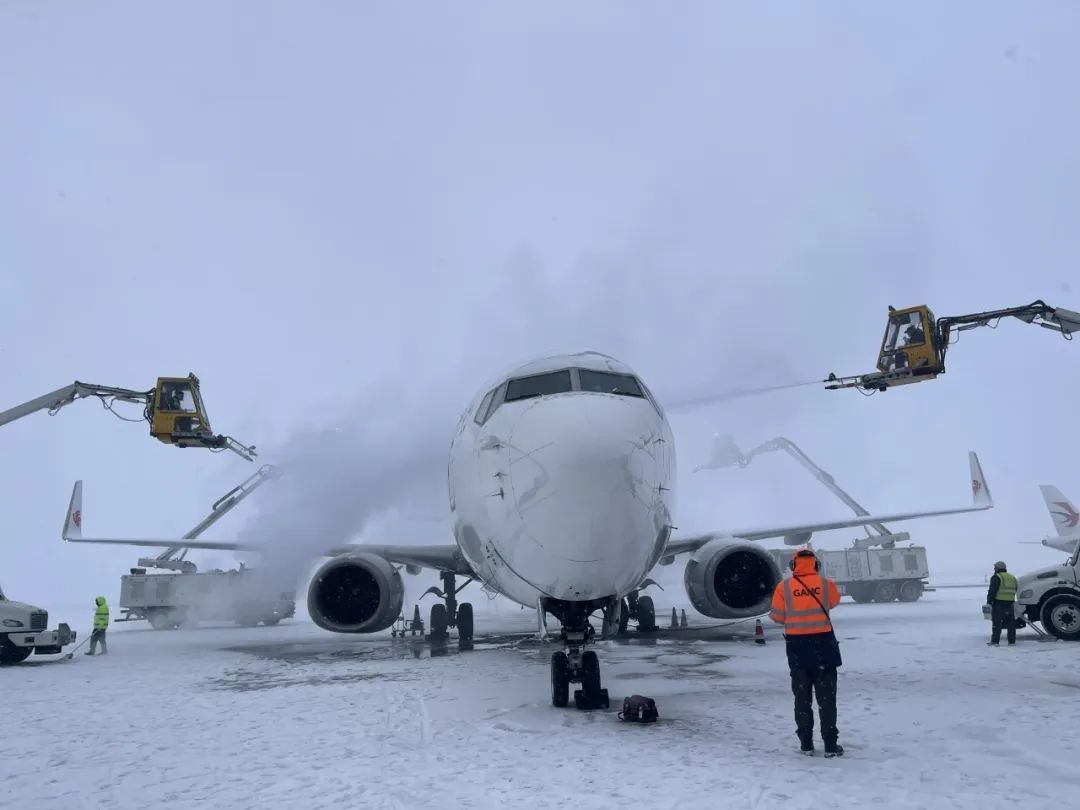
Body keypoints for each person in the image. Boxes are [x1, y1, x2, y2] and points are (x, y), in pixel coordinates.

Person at [770, 548, 844, 757]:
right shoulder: (826, 584)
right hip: (824, 647)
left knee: (802, 699)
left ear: (793, 565)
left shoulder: (783, 587)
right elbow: (833, 602)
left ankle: (806, 744)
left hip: (798, 649)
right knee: (827, 700)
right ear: (816, 565)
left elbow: (777, 617)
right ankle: (830, 745)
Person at [986, 561, 1018, 646]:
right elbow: (1016, 589)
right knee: (1011, 625)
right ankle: (1012, 642)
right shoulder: (1012, 577)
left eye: (995, 568)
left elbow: (992, 590)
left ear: (997, 568)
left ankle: (995, 642)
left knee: (997, 624)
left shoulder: (997, 577)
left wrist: (989, 601)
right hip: (1010, 604)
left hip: (999, 604)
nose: (994, 569)